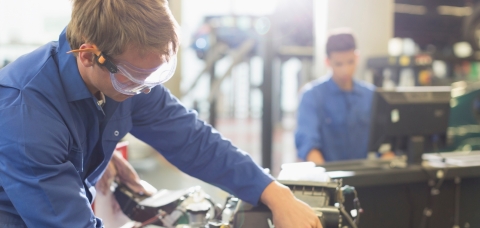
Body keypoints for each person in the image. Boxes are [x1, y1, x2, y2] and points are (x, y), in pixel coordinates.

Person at [0, 0, 321, 227]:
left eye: (155, 76)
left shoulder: (124, 80)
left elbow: (193, 140)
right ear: (88, 56)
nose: (147, 90)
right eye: (139, 77)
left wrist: (276, 194)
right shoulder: (26, 115)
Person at [295, 28, 387, 164]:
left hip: (367, 177)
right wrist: (326, 177)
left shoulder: (372, 96)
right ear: (327, 62)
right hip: (328, 179)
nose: (346, 70)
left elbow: (384, 142)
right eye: (339, 64)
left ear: (357, 57)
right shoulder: (312, 96)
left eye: (350, 62)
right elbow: (308, 144)